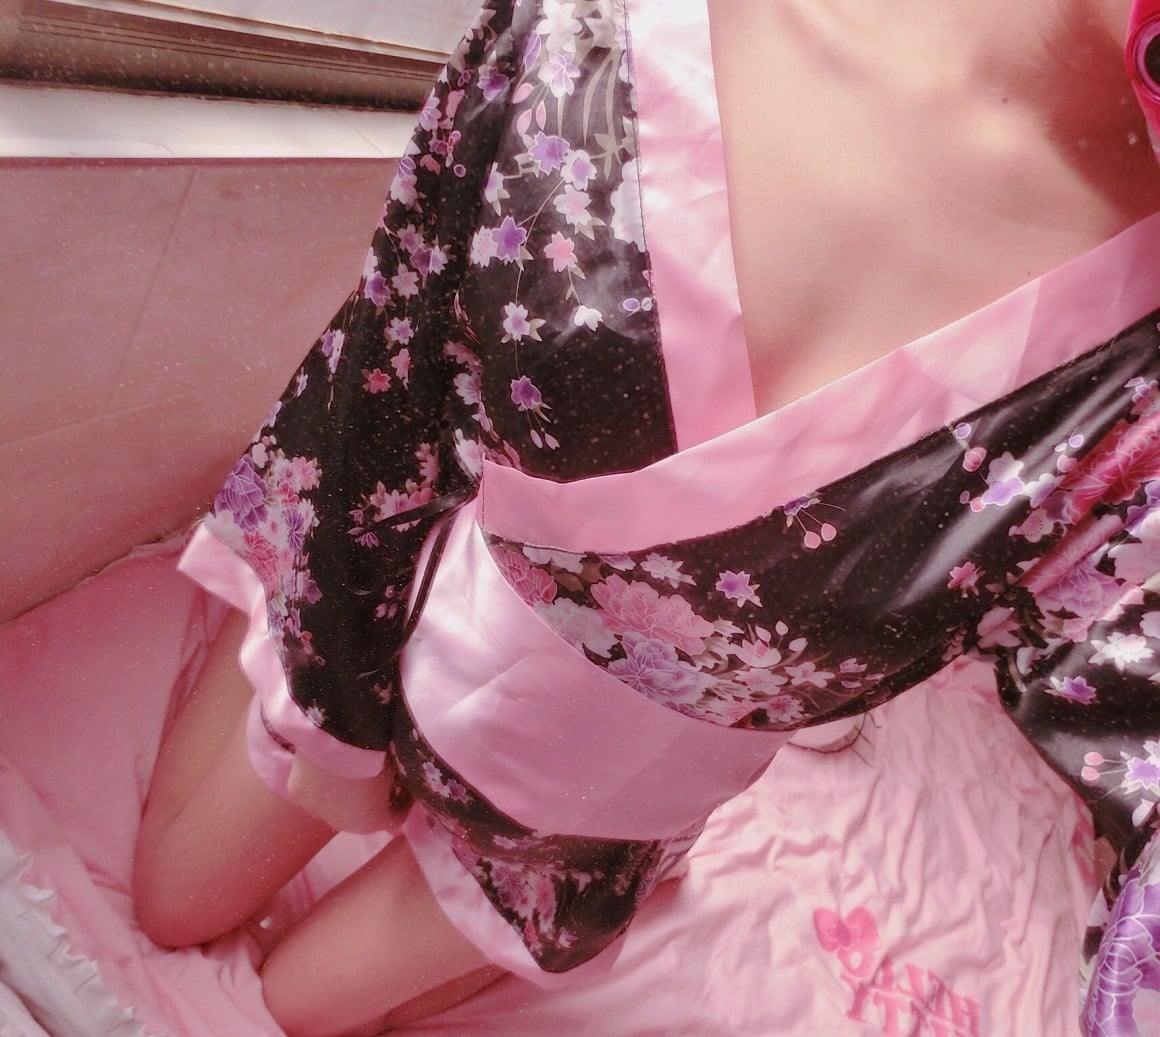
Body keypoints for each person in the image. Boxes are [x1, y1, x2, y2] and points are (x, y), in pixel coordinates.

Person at [133, 1, 1160, 1034]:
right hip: (399, 597)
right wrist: (329, 688)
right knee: (172, 904)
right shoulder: (617, 32)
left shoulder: (1133, 426)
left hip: (590, 803)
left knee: (297, 1006)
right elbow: (389, 362)